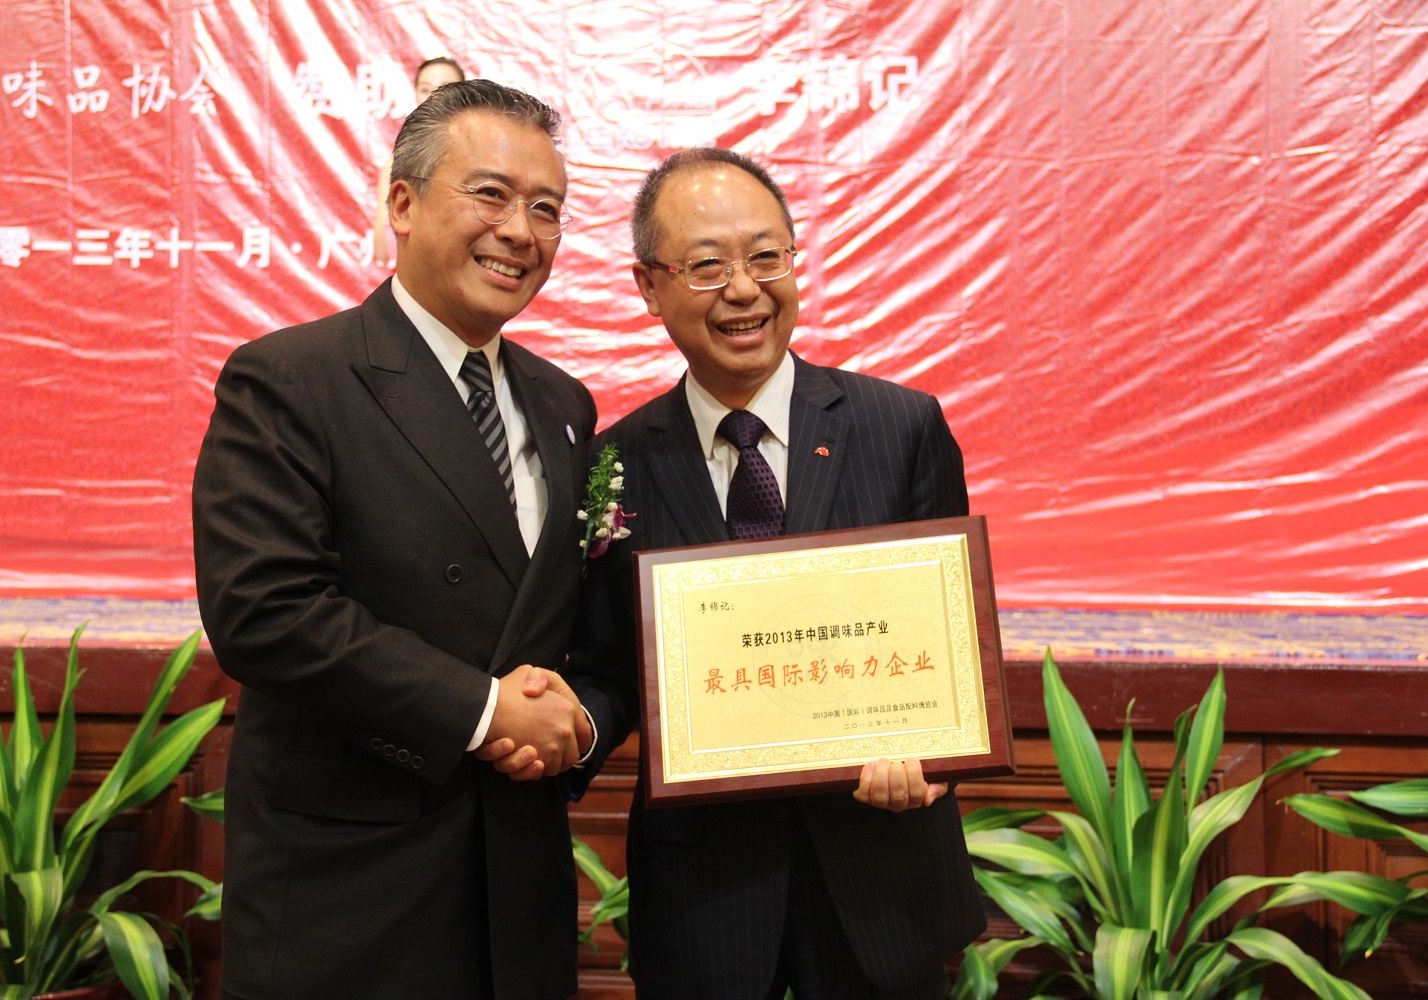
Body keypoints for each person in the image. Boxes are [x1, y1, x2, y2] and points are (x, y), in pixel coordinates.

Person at [193, 79, 595, 1000]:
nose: (521, 232)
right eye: (490, 195)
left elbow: (569, 625)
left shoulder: (564, 405)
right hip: (350, 900)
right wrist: (485, 712)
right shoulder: (291, 378)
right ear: (403, 204)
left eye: (546, 209)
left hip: (518, 897)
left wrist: (574, 723)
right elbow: (266, 613)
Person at [554, 148, 986, 999]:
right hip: (706, 896)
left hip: (880, 882)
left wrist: (935, 754)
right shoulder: (613, 465)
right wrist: (562, 732)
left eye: (766, 256)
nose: (745, 290)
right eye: (707, 266)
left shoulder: (901, 428)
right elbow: (608, 670)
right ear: (649, 287)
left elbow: (949, 648)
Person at [372, 56, 467, 265]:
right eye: (425, 89)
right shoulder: (396, 164)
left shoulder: (481, 157)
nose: (433, 97)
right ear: (416, 95)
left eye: (444, 88)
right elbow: (381, 249)